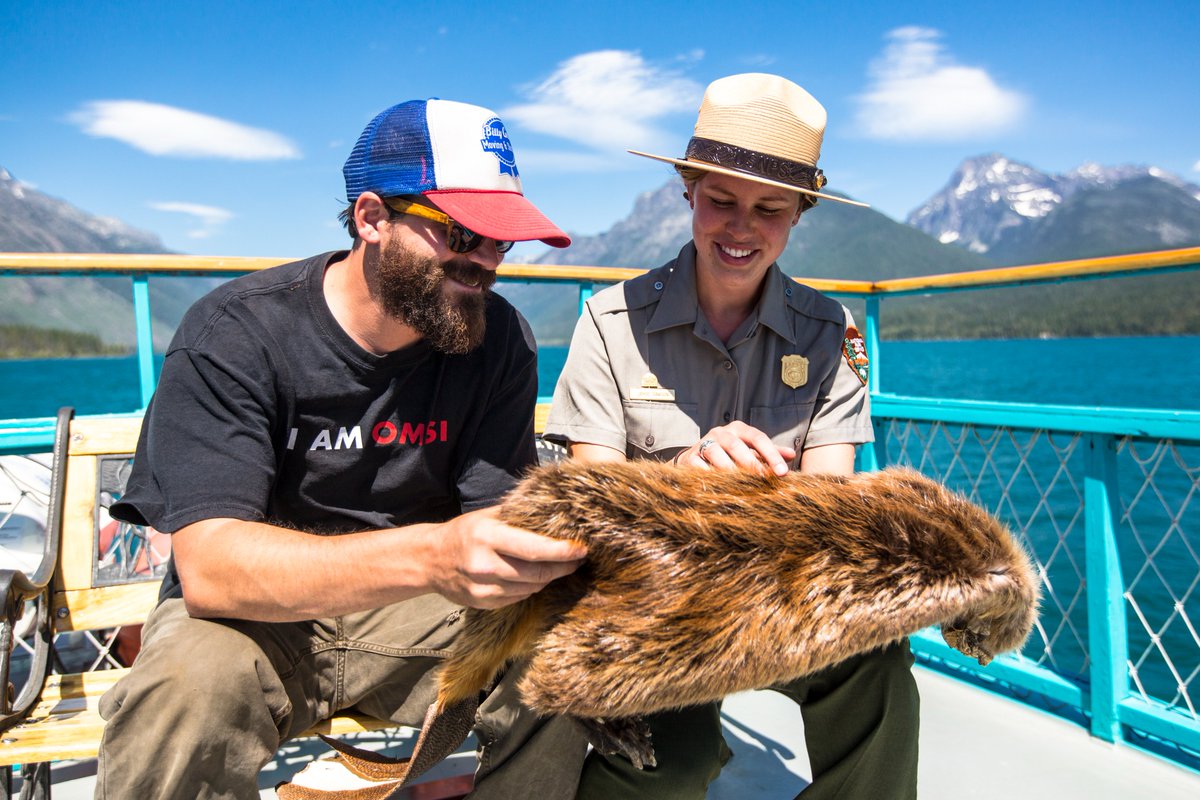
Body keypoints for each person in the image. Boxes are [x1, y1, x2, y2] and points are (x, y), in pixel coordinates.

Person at [95, 98, 592, 799]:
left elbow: (497, 518)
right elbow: (211, 572)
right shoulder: (236, 334)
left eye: (501, 240)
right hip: (251, 624)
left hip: (420, 615)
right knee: (180, 690)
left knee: (568, 659)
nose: (485, 262)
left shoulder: (498, 340)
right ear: (371, 218)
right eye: (461, 233)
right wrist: (434, 553)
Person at [542, 73, 920, 799]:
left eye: (769, 208)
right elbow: (587, 508)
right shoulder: (608, 322)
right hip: (657, 606)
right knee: (670, 762)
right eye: (720, 200)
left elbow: (832, 506)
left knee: (879, 669)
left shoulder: (831, 331)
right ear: (687, 191)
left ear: (800, 213)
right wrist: (685, 475)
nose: (740, 226)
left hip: (782, 603)